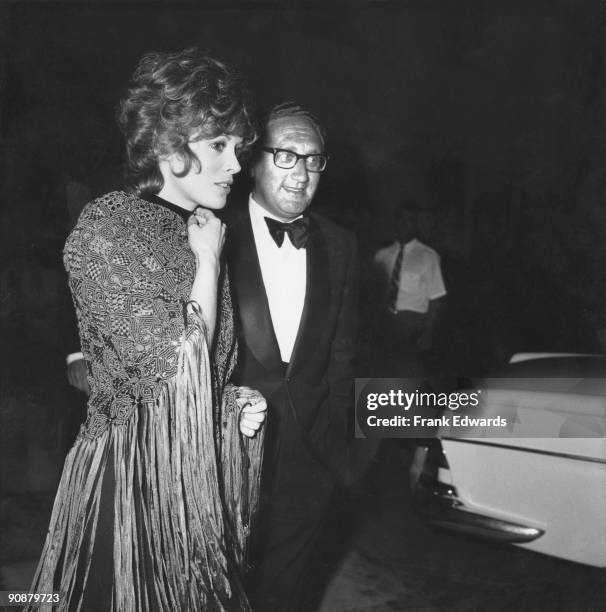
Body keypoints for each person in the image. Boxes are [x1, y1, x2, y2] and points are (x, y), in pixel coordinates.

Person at [29, 48, 267, 612]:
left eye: (237, 147)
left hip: (191, 484)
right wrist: (206, 262)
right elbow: (170, 370)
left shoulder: (202, 229)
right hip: (128, 487)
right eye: (218, 145)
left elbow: (207, 373)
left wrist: (233, 404)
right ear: (166, 145)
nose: (236, 164)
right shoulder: (110, 222)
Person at [225, 103, 359, 612]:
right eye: (285, 155)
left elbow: (343, 358)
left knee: (286, 594)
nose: (301, 172)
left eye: (313, 159)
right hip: (226, 456)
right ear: (253, 160)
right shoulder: (211, 233)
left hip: (309, 460)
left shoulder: (342, 245)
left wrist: (337, 454)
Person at [372, 199, 446, 376]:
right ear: (395, 222)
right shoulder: (381, 255)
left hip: (412, 328)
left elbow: (437, 298)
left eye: (410, 220)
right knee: (382, 375)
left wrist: (428, 333)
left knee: (408, 376)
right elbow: (373, 295)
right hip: (385, 326)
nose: (405, 225)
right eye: (401, 219)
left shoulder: (428, 256)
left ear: (415, 225)